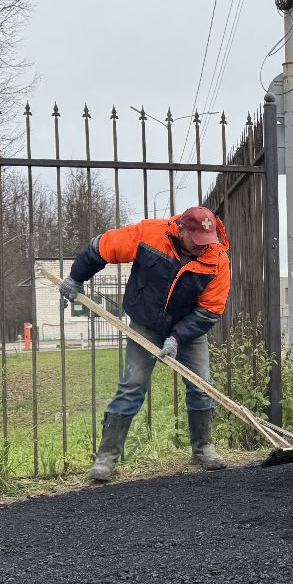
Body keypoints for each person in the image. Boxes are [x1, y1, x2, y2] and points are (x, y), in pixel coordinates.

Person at [59, 205, 231, 483]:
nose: (202, 247)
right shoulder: (150, 235)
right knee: (133, 385)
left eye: (206, 242)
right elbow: (101, 247)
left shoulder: (217, 258)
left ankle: (203, 449)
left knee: (201, 385)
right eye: (196, 240)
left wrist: (177, 337)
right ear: (183, 229)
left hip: (189, 329)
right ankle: (106, 458)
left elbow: (210, 310)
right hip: (146, 325)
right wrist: (76, 277)